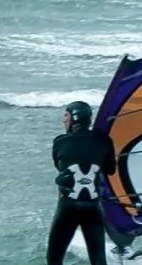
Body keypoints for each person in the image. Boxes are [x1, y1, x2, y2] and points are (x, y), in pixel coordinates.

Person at [47, 101, 117, 265]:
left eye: (66, 115)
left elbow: (59, 167)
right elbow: (110, 170)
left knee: (54, 260)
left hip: (67, 207)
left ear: (74, 118)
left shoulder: (60, 142)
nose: (64, 120)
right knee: (99, 260)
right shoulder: (104, 141)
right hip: (92, 207)